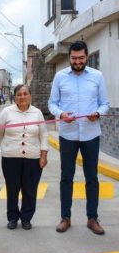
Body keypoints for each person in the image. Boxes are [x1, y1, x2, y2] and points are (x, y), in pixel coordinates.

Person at [48, 40, 110, 235]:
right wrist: (61, 114)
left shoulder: (97, 76)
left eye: (81, 58)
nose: (77, 61)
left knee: (91, 177)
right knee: (66, 177)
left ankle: (92, 218)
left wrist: (98, 114)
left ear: (87, 56)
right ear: (69, 57)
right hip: (67, 135)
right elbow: (52, 103)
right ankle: (65, 217)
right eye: (74, 58)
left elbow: (105, 103)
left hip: (91, 134)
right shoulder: (60, 77)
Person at [0, 84, 48, 230]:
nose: (22, 97)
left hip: (33, 158)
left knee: (30, 190)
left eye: (25, 94)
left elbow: (44, 135)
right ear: (15, 97)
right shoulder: (7, 112)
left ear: (30, 96)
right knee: (12, 190)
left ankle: (26, 218)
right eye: (19, 94)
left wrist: (43, 155)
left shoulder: (37, 113)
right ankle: (12, 217)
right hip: (10, 158)